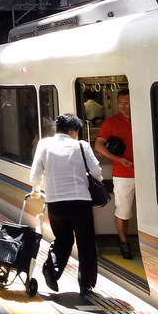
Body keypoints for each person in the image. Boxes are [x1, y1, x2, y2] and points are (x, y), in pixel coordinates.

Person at [31, 114, 102, 296]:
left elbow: (35, 174)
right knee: (85, 243)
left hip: (55, 202)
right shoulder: (81, 145)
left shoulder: (44, 144)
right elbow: (96, 171)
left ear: (57, 128)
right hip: (80, 202)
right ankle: (86, 285)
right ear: (73, 131)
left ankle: (51, 269)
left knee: (63, 239)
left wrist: (37, 190)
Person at [95, 88, 135, 259]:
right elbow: (99, 145)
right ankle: (124, 243)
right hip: (123, 174)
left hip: (147, 173)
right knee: (123, 210)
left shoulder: (145, 117)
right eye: (120, 103)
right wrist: (118, 160)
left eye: (127, 102)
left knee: (152, 210)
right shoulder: (111, 122)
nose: (123, 106)